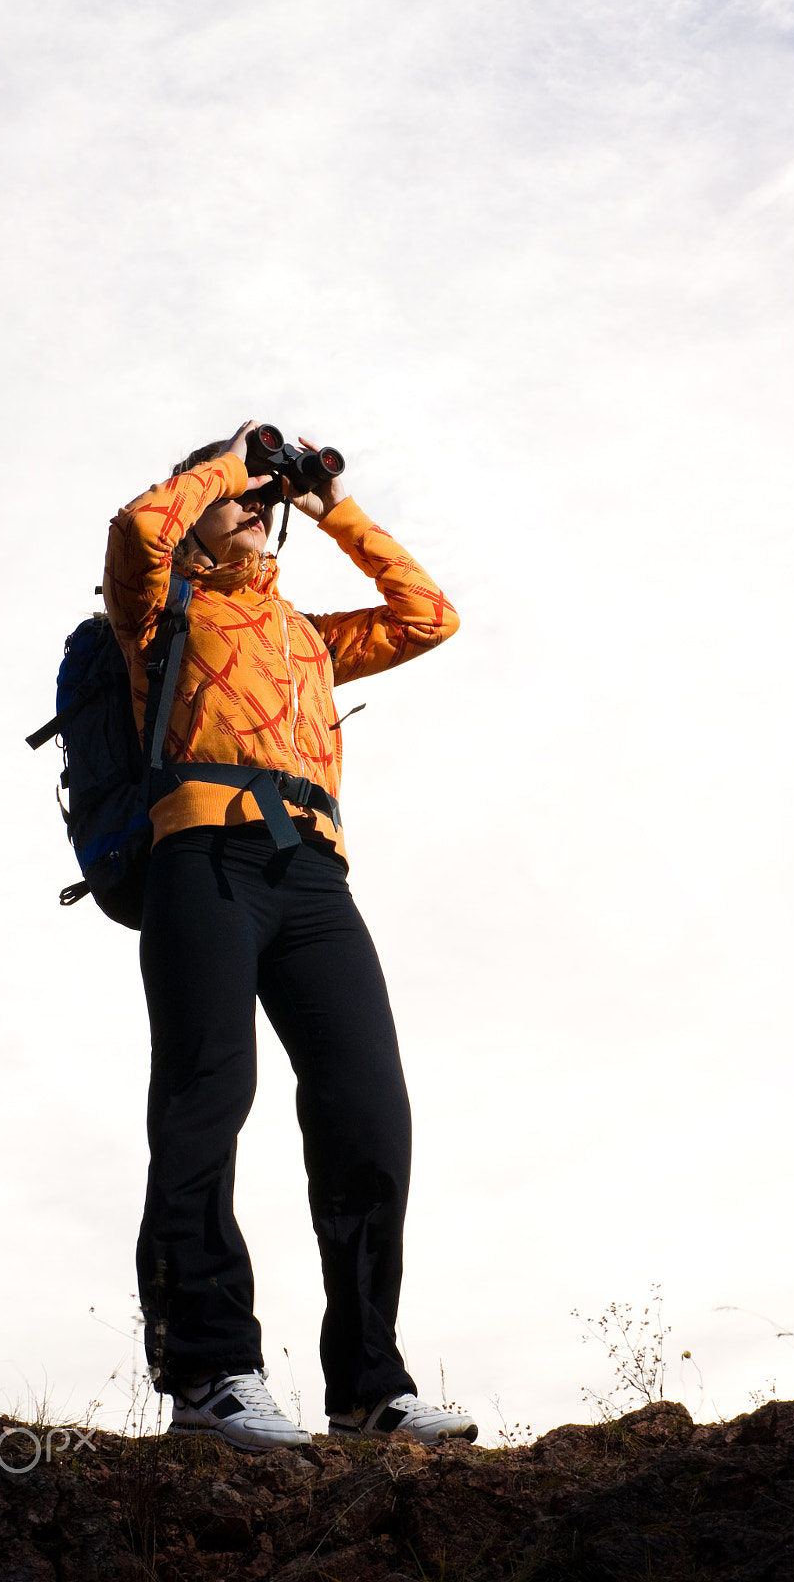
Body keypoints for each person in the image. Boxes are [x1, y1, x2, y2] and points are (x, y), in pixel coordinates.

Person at [103, 419, 474, 1450]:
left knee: (369, 1112)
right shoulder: (153, 604)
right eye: (238, 502)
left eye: (262, 502)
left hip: (314, 878)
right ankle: (211, 1373)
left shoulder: (306, 633)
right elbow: (141, 524)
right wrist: (227, 462)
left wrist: (327, 504)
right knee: (206, 1099)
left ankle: (370, 1388)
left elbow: (430, 616)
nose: (255, 509)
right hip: (202, 860)